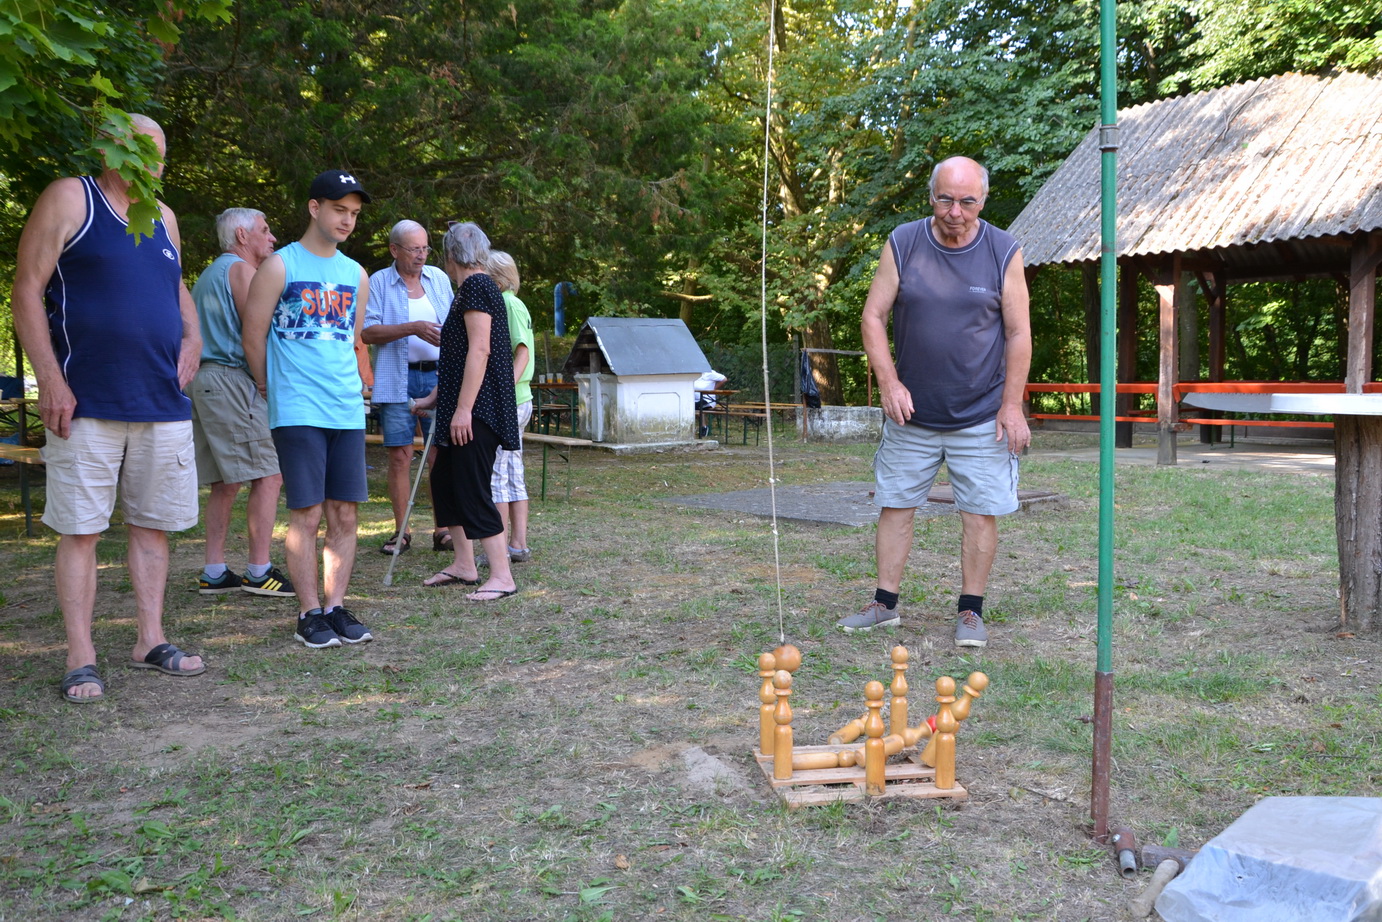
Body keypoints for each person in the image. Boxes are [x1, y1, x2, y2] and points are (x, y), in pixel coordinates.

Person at [12, 114, 206, 702]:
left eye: (163, 152)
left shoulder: (163, 216)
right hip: (86, 399)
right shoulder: (71, 197)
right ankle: (81, 656)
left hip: (160, 401)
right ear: (110, 151)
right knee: (82, 531)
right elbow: (26, 287)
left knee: (152, 527)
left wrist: (193, 336)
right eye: (145, 150)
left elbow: (175, 286)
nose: (158, 163)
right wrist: (50, 379)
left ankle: (150, 639)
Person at [837, 156, 1032, 648]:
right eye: (945, 199)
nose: (955, 212)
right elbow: (873, 316)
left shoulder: (1003, 250)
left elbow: (1018, 332)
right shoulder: (903, 242)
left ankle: (970, 612)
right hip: (912, 415)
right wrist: (889, 383)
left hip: (981, 415)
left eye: (967, 201)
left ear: (982, 201)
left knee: (979, 513)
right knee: (895, 505)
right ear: (931, 197)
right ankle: (884, 604)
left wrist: (1011, 406)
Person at [242, 170, 374, 649]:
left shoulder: (356, 274)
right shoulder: (279, 266)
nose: (347, 220)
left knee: (345, 513)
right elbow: (252, 336)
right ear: (314, 208)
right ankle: (308, 612)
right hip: (298, 408)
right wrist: (268, 386)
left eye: (354, 213)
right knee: (307, 512)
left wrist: (360, 386)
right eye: (339, 210)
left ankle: (335, 607)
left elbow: (353, 340)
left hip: (346, 409)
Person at [189, 208, 294, 598]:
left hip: (205, 380)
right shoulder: (241, 271)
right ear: (241, 235)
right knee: (269, 473)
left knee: (225, 482)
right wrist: (266, 382)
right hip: (232, 379)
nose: (272, 238)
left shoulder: (210, 273)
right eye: (265, 230)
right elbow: (259, 332)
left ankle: (215, 571)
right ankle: (258, 570)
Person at [413, 222, 520, 601]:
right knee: (446, 482)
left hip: (478, 410)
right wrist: (434, 397)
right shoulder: (471, 290)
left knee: (473, 488)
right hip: (463, 405)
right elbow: (459, 358)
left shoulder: (476, 287)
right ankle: (464, 564)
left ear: (449, 256)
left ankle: (502, 576)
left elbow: (480, 350)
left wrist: (462, 410)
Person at [362, 220, 453, 555]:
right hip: (395, 379)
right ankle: (401, 532)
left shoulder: (438, 278)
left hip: (438, 377)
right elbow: (367, 332)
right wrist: (412, 328)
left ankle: (443, 529)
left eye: (425, 248)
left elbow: (457, 323)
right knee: (400, 456)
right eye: (414, 249)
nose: (421, 255)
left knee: (439, 454)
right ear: (394, 250)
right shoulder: (378, 282)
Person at [482, 250, 535, 563]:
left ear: (497, 279)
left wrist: (503, 392)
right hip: (518, 399)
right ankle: (517, 545)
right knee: (513, 471)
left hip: (512, 400)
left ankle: (499, 548)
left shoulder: (508, 304)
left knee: (497, 475)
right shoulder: (512, 303)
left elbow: (522, 352)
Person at [694, 368, 727, 438]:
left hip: (708, 400)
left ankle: (703, 427)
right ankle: (699, 427)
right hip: (694, 399)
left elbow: (724, 379)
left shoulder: (709, 373)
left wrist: (714, 389)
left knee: (699, 406)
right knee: (688, 406)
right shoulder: (694, 374)